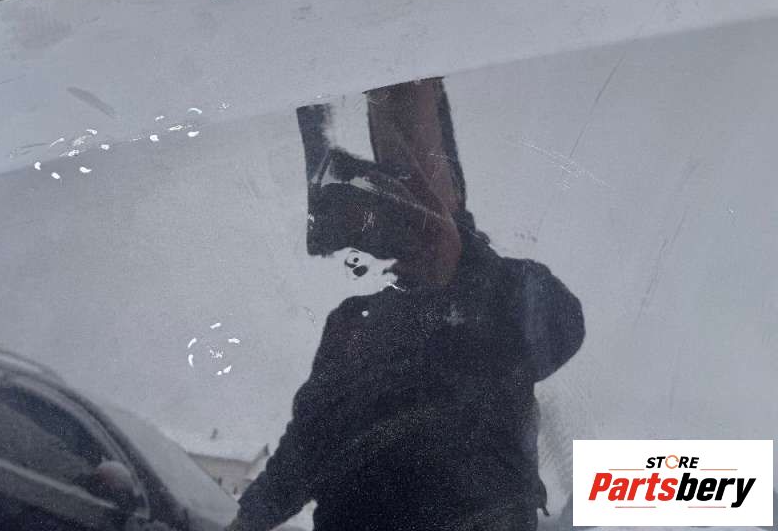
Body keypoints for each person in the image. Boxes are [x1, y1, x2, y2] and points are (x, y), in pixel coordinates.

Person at [228, 79, 585, 531]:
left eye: (414, 200)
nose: (404, 219)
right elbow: (308, 442)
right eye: (382, 209)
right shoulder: (352, 324)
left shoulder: (503, 298)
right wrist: (247, 521)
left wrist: (464, 260)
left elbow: (562, 328)